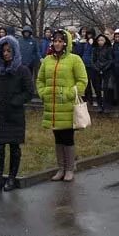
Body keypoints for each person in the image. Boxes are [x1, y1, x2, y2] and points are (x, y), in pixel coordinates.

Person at [37, 29, 88, 181]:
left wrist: (69, 93)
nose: (57, 44)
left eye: (60, 41)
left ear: (66, 43)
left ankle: (70, 168)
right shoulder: (47, 60)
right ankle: (61, 168)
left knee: (67, 137)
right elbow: (40, 80)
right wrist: (43, 93)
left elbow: (82, 81)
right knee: (57, 138)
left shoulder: (75, 59)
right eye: (55, 41)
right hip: (52, 106)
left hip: (67, 106)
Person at [0, 35, 35, 193]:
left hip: (14, 114)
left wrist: (16, 101)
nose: (6, 54)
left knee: (14, 147)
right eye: (3, 51)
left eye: (9, 51)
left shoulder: (22, 70)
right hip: (0, 114)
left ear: (15, 52)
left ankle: (11, 178)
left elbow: (29, 91)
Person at [90, 34, 114, 112]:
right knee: (97, 88)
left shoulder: (109, 49)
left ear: (105, 40)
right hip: (96, 70)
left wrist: (104, 68)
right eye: (99, 40)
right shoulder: (95, 49)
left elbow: (110, 60)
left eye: (102, 40)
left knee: (106, 88)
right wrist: (97, 68)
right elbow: (92, 60)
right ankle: (99, 104)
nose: (100, 42)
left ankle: (106, 105)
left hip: (106, 70)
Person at [18, 26, 41, 91]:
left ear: (30, 33)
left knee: (29, 78)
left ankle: (29, 91)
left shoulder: (33, 41)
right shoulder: (19, 40)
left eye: (27, 32)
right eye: (25, 32)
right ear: (23, 33)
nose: (26, 34)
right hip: (21, 63)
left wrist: (40, 58)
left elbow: (37, 51)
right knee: (20, 77)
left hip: (30, 63)